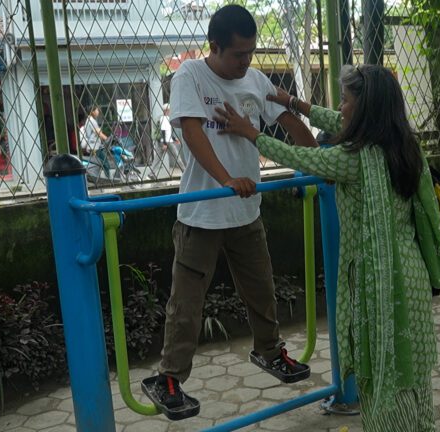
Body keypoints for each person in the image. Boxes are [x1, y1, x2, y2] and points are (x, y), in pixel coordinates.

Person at [214, 64, 440, 431]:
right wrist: (294, 102)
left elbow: (301, 157)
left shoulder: (354, 160)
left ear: (365, 109)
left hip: (379, 280)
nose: (341, 108)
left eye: (346, 100)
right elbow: (338, 122)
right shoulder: (403, 143)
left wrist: (250, 132)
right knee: (410, 365)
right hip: (411, 271)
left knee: (383, 363)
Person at [141, 4, 318, 420]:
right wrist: (224, 179)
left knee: (262, 289)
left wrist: (313, 157)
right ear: (214, 47)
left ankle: (270, 352)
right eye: (238, 54)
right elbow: (191, 131)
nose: (246, 62)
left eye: (250, 53)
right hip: (201, 215)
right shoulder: (190, 76)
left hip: (246, 211)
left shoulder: (254, 80)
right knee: (186, 303)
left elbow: (288, 120)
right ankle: (168, 378)